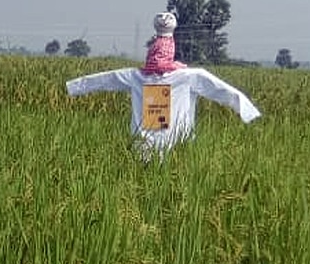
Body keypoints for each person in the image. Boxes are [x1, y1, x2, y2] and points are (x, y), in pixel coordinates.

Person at [65, 11, 260, 160]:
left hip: (143, 149)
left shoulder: (135, 77)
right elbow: (222, 90)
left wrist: (72, 87)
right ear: (171, 47)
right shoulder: (188, 76)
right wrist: (248, 111)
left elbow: (102, 80)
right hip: (177, 149)